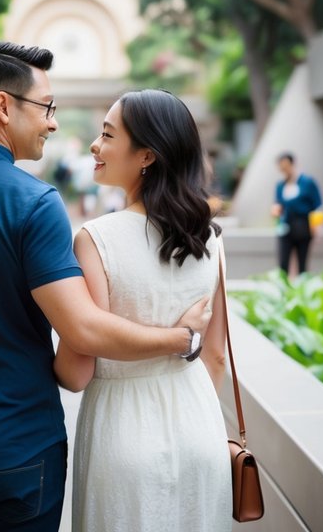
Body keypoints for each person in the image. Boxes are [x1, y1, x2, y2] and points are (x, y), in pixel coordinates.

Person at [0, 42, 212, 532]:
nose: (52, 122)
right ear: (4, 107)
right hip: (20, 449)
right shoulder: (34, 202)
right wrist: (181, 339)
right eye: (46, 107)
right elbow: (83, 330)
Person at [54, 89, 231, 532]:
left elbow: (76, 371)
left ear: (147, 155)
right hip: (200, 427)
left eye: (107, 135)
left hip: (123, 435)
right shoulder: (209, 238)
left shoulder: (96, 239)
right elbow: (215, 357)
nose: (95, 145)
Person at [271, 151, 323, 276]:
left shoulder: (307, 183)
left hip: (303, 226)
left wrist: (316, 228)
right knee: (283, 263)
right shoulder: (280, 185)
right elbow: (277, 204)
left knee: (302, 263)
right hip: (285, 226)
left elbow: (317, 206)